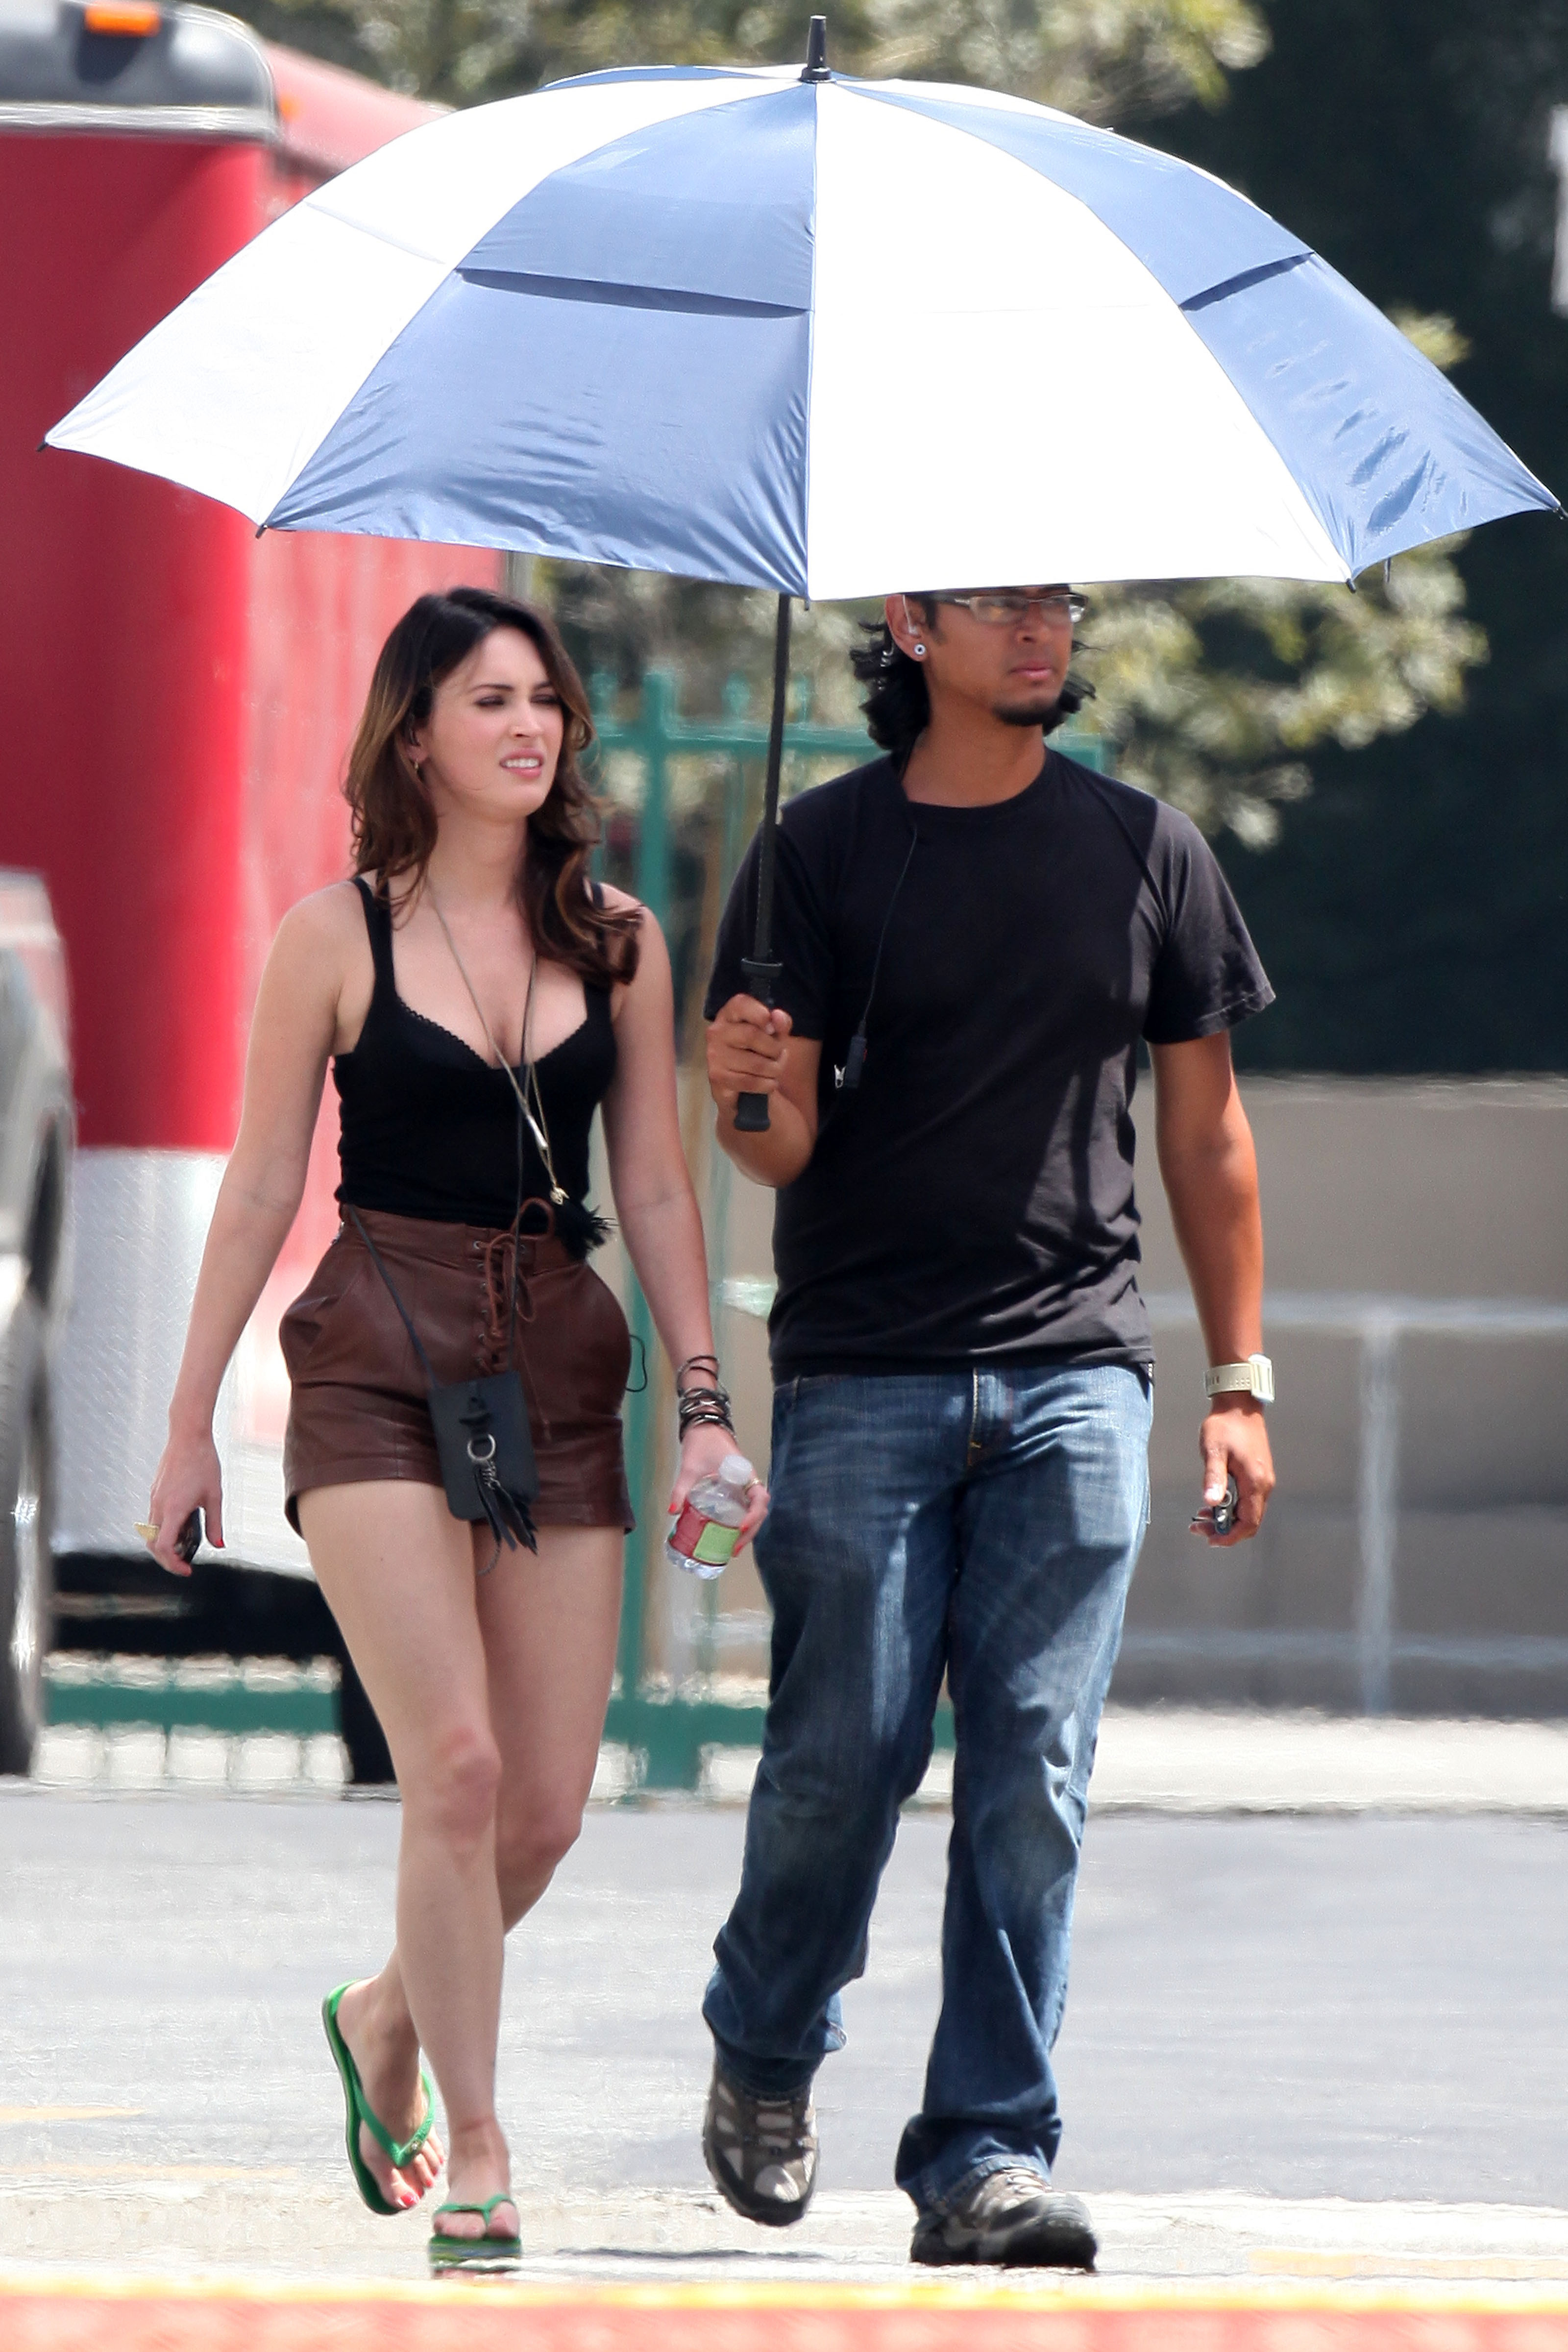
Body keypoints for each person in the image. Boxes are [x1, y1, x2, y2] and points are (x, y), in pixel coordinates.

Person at [143, 585, 763, 2269]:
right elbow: (261, 1182)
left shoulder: (617, 939)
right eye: (490, 699)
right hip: (376, 1355)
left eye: (544, 699)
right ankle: (478, 2146)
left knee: (544, 1809)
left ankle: (383, 2016)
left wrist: (707, 1407)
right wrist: (189, 1422)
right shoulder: (333, 935)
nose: (529, 725)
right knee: (461, 1770)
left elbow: (655, 1187)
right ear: (413, 733)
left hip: (551, 1364)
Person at [699, 585, 1275, 2270]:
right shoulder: (814, 852)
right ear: (910, 624)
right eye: (1004, 601)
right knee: (843, 1756)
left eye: (1058, 601)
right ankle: (768, 2040)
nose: (1042, 629)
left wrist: (1240, 1379)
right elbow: (774, 1146)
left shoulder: (1151, 851)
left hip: (1077, 1374)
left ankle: (987, 2151)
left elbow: (1208, 1138)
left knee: (1036, 1772)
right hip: (863, 1369)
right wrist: (744, 1078)